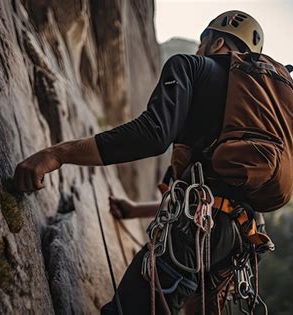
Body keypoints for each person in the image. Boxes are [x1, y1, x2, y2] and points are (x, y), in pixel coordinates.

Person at [13, 10, 266, 314]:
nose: (199, 49)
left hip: (195, 232)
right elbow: (215, 194)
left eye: (203, 42)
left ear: (217, 42)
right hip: (239, 241)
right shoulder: (258, 106)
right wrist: (135, 210)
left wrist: (57, 153)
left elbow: (152, 135)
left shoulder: (193, 66)